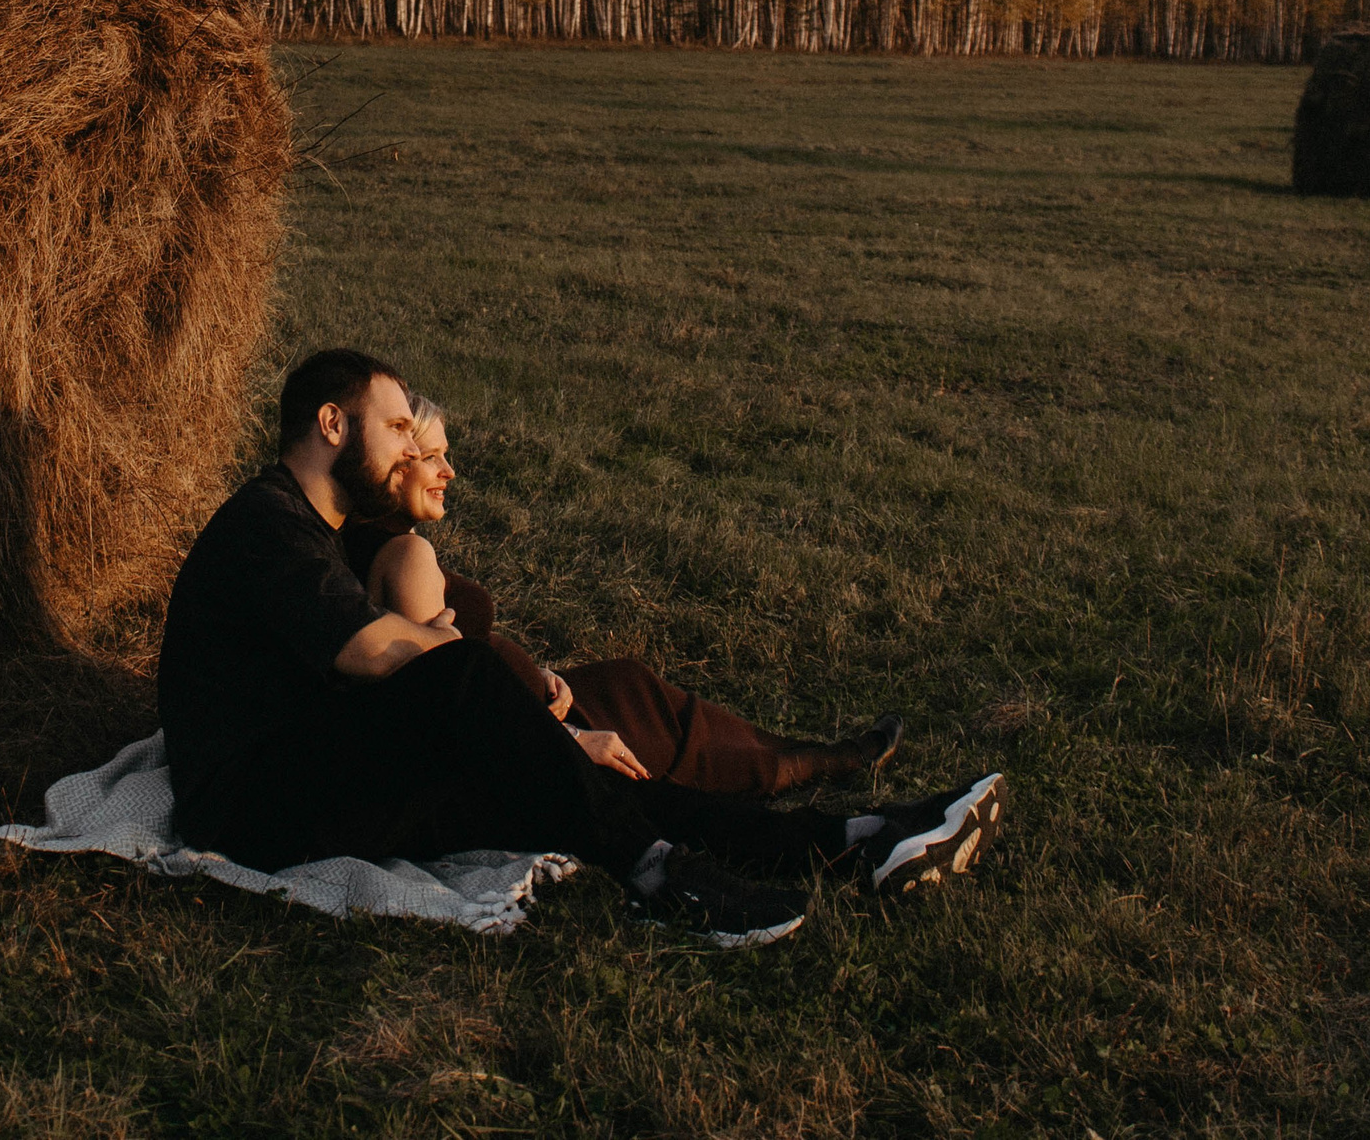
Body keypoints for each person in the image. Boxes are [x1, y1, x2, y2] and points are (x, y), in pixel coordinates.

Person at [157, 347, 1009, 948]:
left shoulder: (326, 528)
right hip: (254, 804)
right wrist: (521, 707)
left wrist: (540, 734)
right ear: (332, 423)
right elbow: (371, 652)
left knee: (575, 783)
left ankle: (857, 838)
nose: (410, 448)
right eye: (395, 428)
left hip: (323, 779)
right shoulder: (266, 522)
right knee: (471, 680)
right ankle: (654, 876)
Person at [343, 394, 903, 796]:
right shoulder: (407, 556)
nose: (449, 471)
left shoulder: (369, 543)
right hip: (537, 742)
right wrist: (569, 737)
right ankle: (816, 763)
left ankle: (805, 752)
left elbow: (459, 662)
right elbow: (452, 698)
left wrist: (536, 674)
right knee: (664, 731)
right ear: (395, 466)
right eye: (432, 457)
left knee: (633, 685)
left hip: (534, 712)